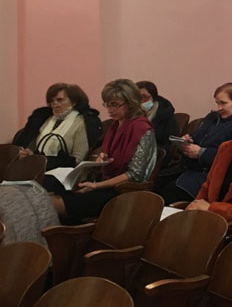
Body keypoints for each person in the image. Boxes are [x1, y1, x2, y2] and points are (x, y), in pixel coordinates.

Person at [48, 79, 157, 220]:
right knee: (50, 195)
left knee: (54, 204)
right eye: (107, 104)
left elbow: (134, 175)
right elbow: (110, 158)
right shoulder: (115, 126)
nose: (110, 110)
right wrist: (100, 161)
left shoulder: (142, 129)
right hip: (106, 184)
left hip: (123, 192)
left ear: (131, 103)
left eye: (115, 105)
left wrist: (97, 186)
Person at [156, 82, 232, 204]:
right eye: (217, 103)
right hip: (187, 168)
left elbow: (231, 157)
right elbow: (196, 136)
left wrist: (201, 153)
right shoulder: (212, 117)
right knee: (155, 185)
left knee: (166, 194)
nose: (219, 108)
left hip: (205, 175)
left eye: (223, 103)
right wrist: (187, 140)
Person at [14, 83, 101, 168]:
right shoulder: (47, 119)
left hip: (66, 172)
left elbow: (78, 159)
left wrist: (48, 161)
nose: (55, 104)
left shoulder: (81, 123)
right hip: (40, 168)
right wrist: (28, 154)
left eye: (60, 100)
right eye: (52, 101)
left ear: (74, 102)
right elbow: (36, 148)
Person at [136, 80, 178, 152]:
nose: (141, 101)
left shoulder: (165, 114)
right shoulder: (134, 114)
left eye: (144, 97)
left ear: (154, 97)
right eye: (137, 98)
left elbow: (169, 144)